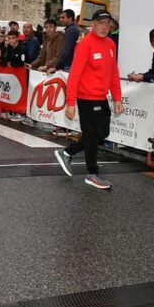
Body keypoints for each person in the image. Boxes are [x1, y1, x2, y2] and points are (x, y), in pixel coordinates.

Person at [54, 10, 122, 190]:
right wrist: (70, 103)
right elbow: (74, 75)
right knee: (92, 136)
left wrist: (117, 98)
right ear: (92, 25)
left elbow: (113, 72)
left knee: (102, 133)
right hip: (86, 98)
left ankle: (68, 152)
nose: (104, 27)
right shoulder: (85, 44)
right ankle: (92, 173)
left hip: (101, 97)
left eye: (107, 24)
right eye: (100, 23)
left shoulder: (110, 44)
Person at [48, 9, 80, 74]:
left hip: (68, 65)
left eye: (63, 18)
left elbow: (66, 51)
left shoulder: (71, 30)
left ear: (70, 18)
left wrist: (56, 66)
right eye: (60, 18)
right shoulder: (73, 29)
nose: (60, 20)